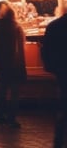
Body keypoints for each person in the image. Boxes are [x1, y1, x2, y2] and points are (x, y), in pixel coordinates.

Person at [0, 1, 26, 128]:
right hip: (15, 63)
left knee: (1, 89)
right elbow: (21, 46)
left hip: (1, 62)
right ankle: (12, 118)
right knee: (14, 91)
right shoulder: (17, 26)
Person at [42, 8, 67, 148]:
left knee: (63, 105)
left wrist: (51, 67)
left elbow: (46, 49)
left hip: (61, 70)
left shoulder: (54, 26)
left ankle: (59, 139)